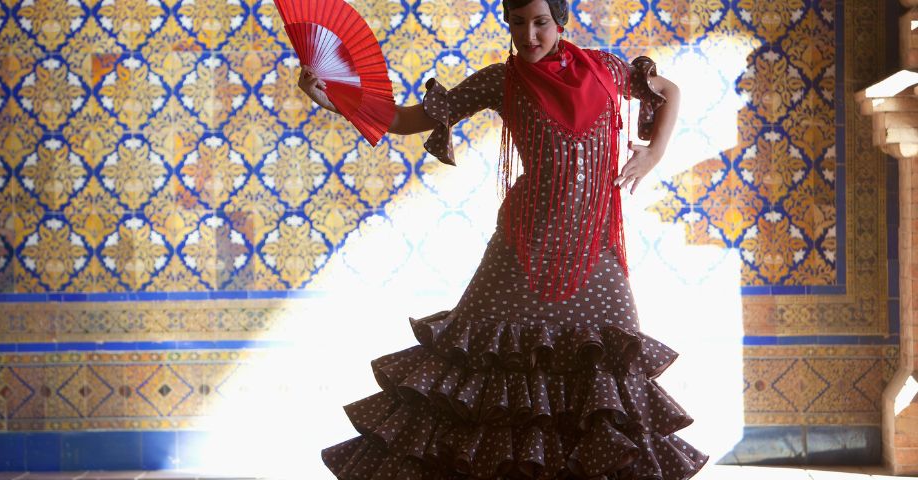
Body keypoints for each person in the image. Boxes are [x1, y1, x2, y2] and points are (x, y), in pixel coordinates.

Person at [300, 0, 707, 477]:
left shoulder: (607, 69)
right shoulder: (502, 79)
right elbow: (410, 119)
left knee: (611, 374)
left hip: (594, 251)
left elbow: (668, 90)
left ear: (560, 24)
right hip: (521, 249)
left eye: (540, 23)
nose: (529, 35)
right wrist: (337, 99)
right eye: (518, 23)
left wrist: (653, 153)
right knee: (476, 371)